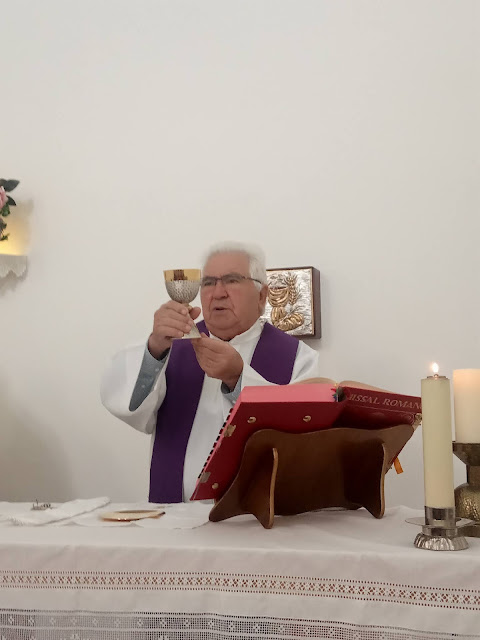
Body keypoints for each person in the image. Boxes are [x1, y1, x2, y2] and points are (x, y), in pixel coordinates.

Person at [101, 242, 320, 503]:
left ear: (262, 296)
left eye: (232, 280)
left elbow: (302, 440)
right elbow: (132, 411)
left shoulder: (298, 358)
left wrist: (238, 378)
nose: (218, 293)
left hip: (257, 515)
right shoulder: (172, 345)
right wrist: (155, 350)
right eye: (208, 283)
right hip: (178, 514)